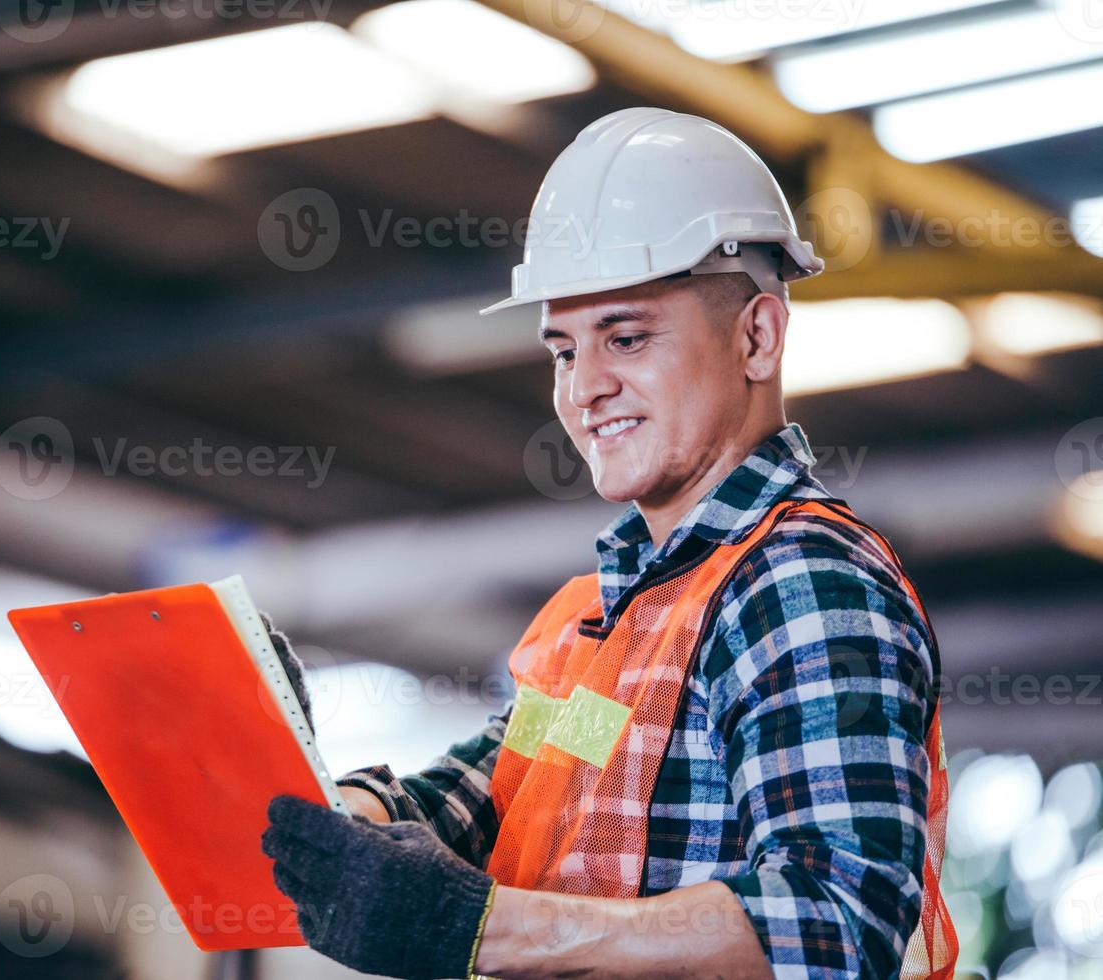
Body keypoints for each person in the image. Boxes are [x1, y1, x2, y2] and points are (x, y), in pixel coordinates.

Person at [260, 108, 955, 980]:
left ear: (758, 336)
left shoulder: (804, 582)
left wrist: (489, 930)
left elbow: (837, 925)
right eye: (562, 350)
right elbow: (473, 803)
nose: (585, 388)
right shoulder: (600, 621)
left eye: (627, 337)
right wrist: (299, 800)